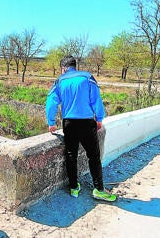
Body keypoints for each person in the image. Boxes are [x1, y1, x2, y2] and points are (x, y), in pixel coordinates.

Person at [45, 55, 116, 202]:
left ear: (63, 68)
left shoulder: (60, 81)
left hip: (69, 123)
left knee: (71, 155)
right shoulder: (87, 77)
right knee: (93, 156)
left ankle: (73, 188)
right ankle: (99, 189)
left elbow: (51, 102)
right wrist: (99, 118)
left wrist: (51, 122)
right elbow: (96, 99)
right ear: (74, 66)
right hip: (86, 123)